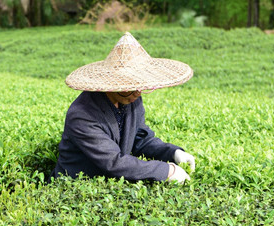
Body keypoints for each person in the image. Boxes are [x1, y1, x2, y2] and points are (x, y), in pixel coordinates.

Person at [52, 32, 195, 183]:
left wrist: (173, 153)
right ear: (112, 82)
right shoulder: (82, 114)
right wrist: (167, 171)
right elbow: (113, 162)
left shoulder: (133, 100)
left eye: (139, 84)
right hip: (76, 187)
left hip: (108, 186)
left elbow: (141, 139)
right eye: (129, 85)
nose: (137, 92)